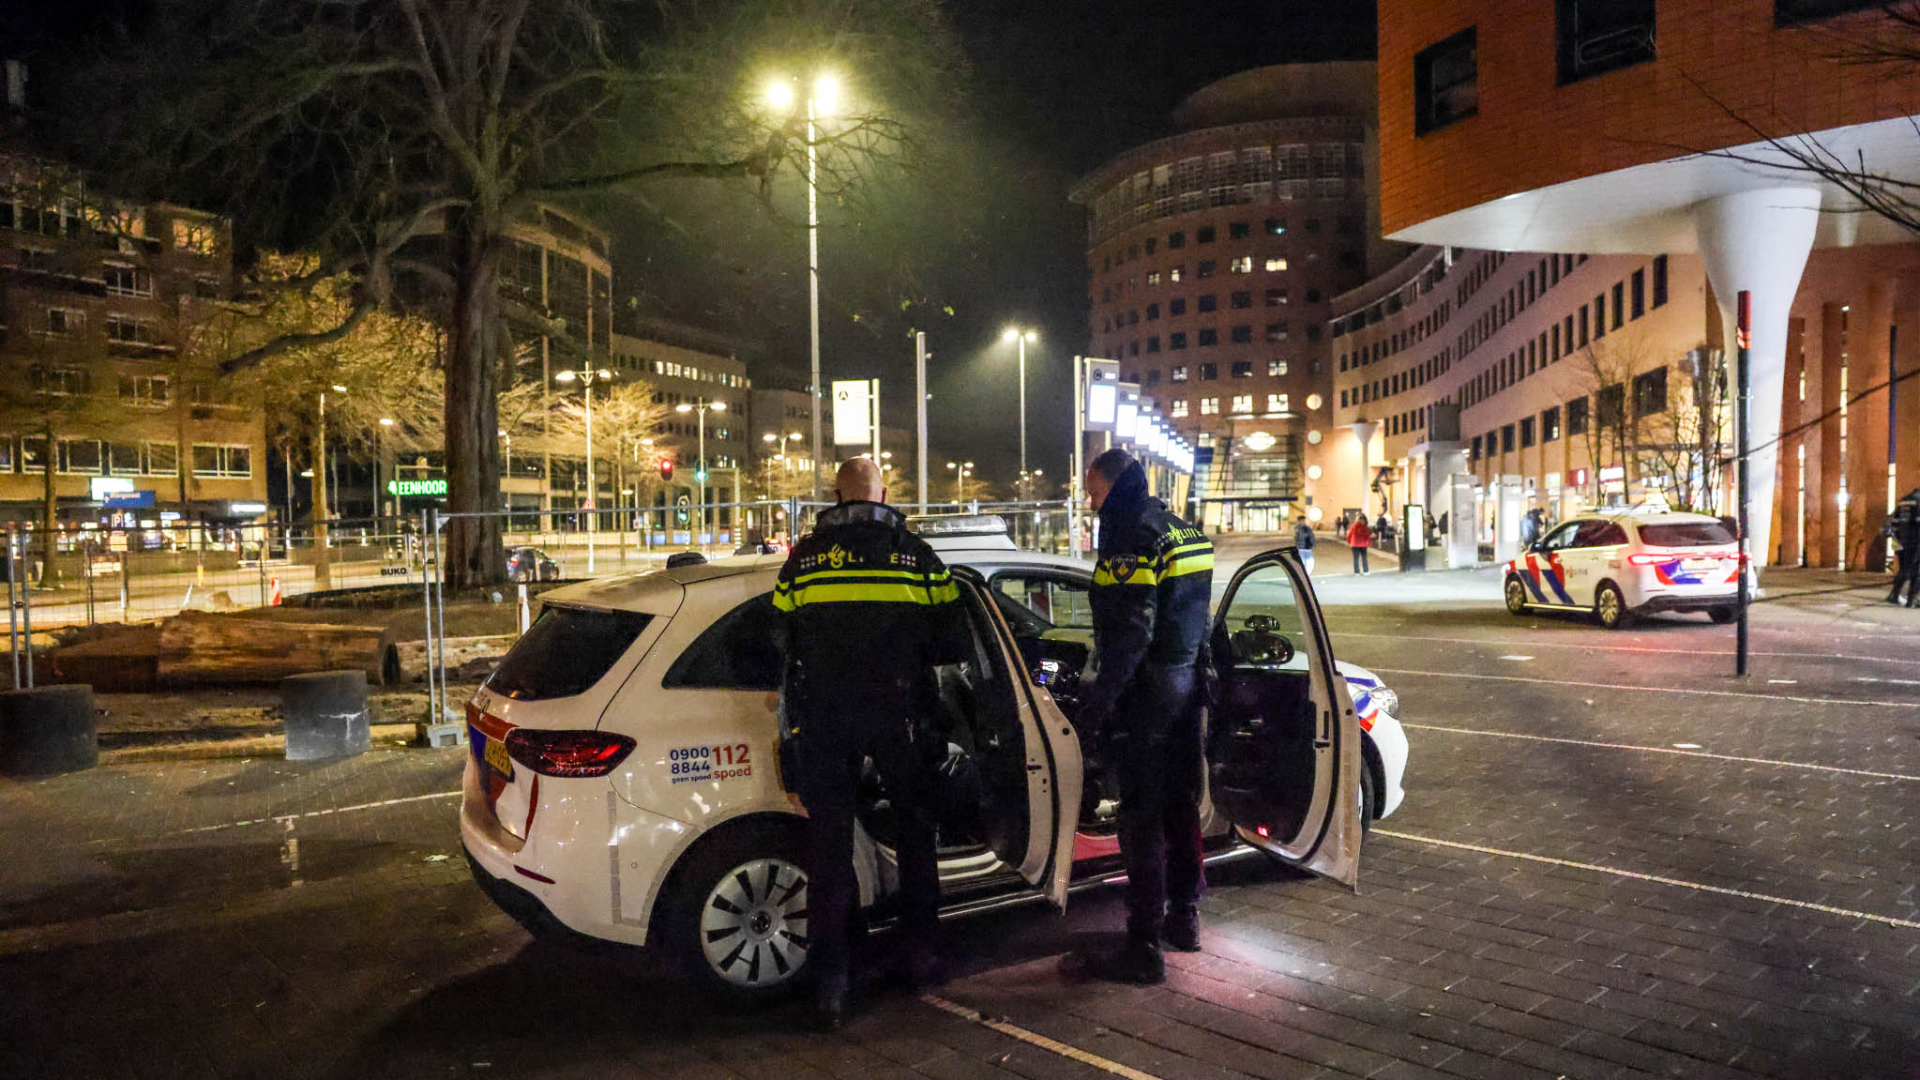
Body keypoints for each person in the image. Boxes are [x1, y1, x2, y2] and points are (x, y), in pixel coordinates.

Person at [772, 457, 967, 1030]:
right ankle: (919, 954)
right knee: (914, 832)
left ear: (836, 495)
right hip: (898, 715)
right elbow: (952, 639)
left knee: (830, 850)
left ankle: (832, 981)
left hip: (826, 717)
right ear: (884, 493)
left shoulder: (805, 559)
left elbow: (778, 634)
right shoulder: (916, 556)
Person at [1071, 448, 1214, 985]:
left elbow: (1131, 631)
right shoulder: (1186, 532)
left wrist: (1100, 700)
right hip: (1186, 690)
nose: (1091, 503)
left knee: (1141, 818)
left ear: (1113, 485)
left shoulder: (1130, 536)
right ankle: (1185, 918)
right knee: (1182, 807)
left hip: (1147, 697)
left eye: (1093, 492)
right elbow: (1200, 622)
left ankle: (1143, 943)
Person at [1886, 488, 1920, 606]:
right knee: (1917, 570)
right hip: (1916, 541)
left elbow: (1894, 522)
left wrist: (1897, 540)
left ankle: (1894, 595)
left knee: (1904, 569)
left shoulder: (1903, 501)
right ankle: (1911, 600)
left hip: (1902, 541)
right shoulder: (1918, 501)